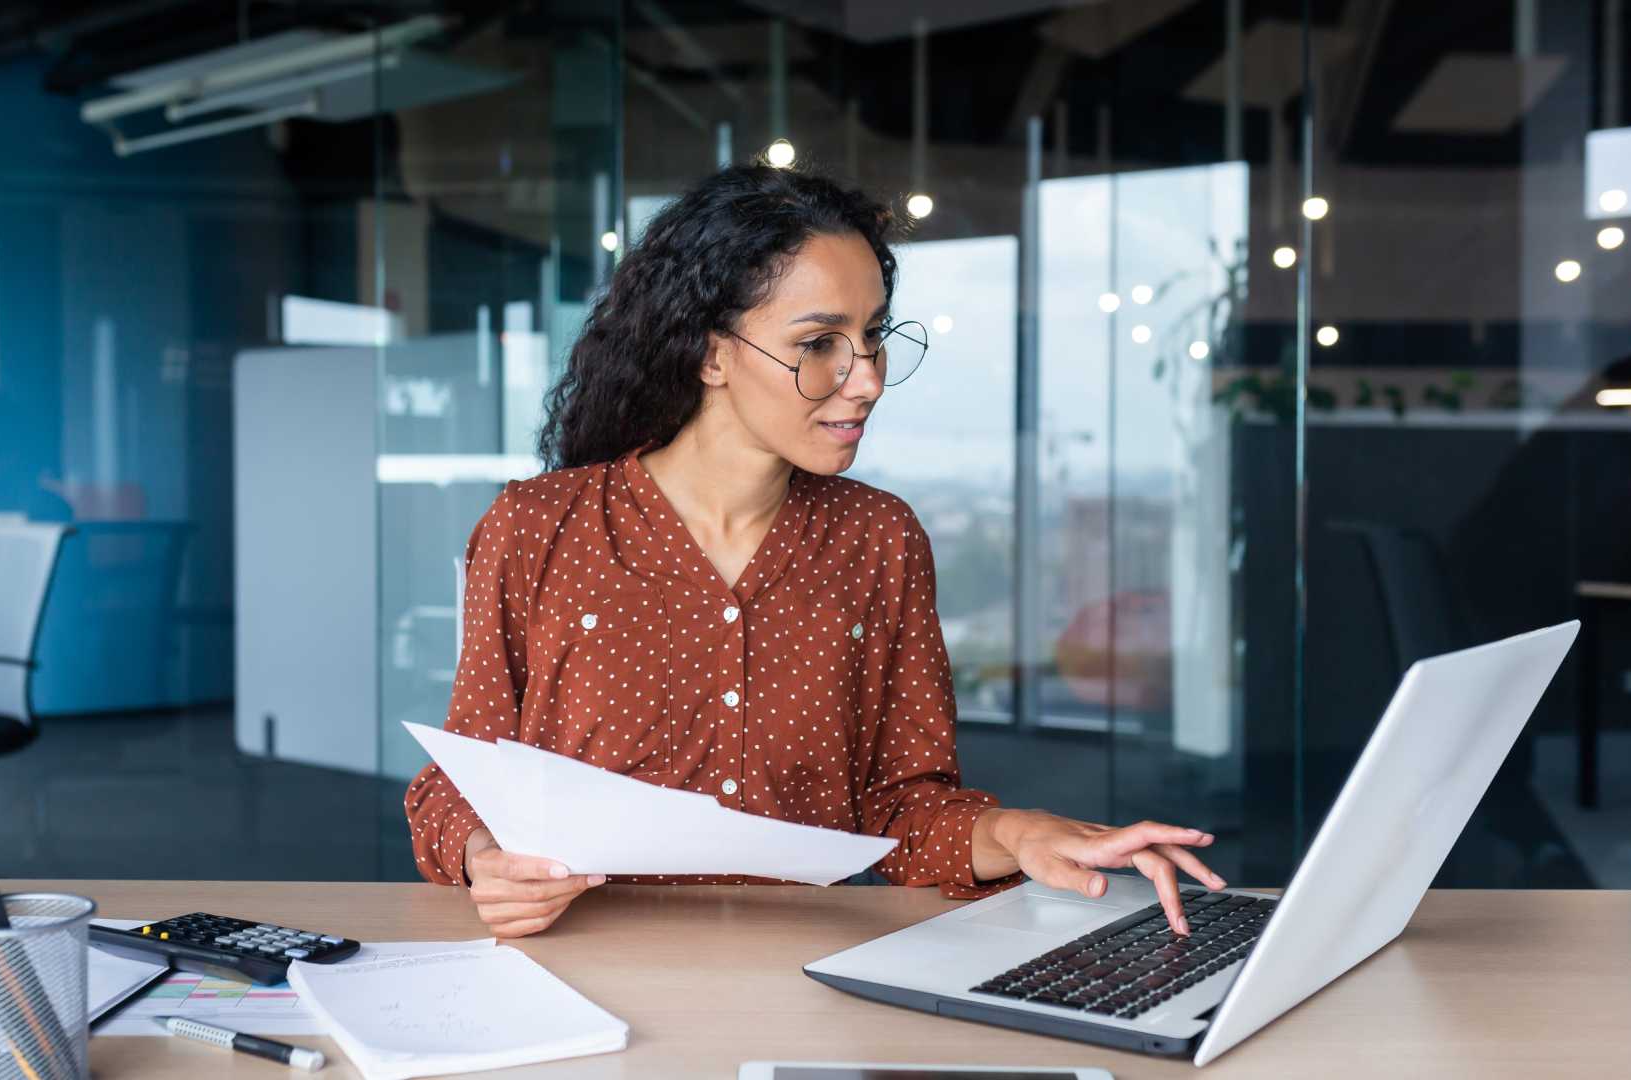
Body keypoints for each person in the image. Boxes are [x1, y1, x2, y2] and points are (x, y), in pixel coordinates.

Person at [404, 164, 1222, 938]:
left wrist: (1023, 833)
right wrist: (485, 859)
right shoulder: (537, 527)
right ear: (709, 351)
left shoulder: (880, 540)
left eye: (871, 337)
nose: (864, 377)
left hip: (803, 975)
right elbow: (460, 782)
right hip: (574, 966)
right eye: (819, 341)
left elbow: (903, 814)